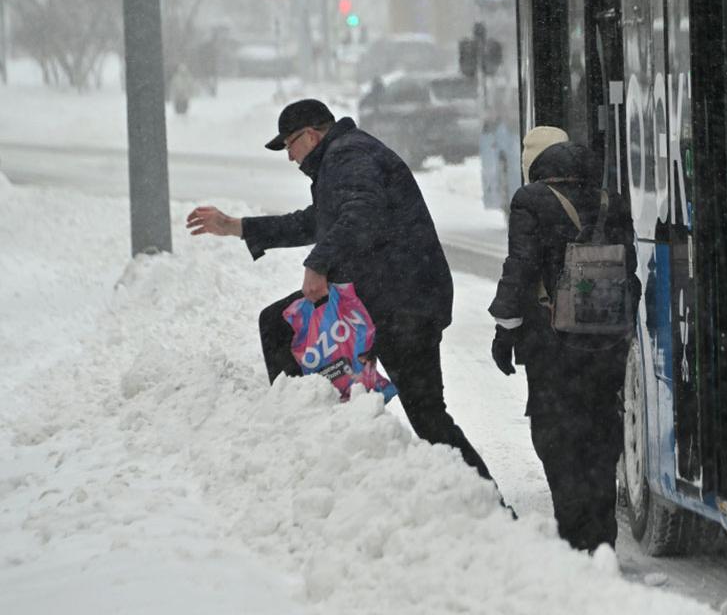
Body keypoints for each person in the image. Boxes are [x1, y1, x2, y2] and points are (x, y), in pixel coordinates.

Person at [186, 98, 495, 483]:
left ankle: (310, 431)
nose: (289, 157)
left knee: (426, 412)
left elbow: (361, 214)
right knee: (426, 413)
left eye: (289, 145)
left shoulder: (348, 156)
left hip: (401, 303)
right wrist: (237, 226)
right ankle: (317, 436)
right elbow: (316, 221)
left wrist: (317, 264)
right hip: (389, 299)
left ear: (311, 135)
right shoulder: (343, 158)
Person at [488, 126, 637, 552]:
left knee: (557, 437)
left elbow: (520, 268)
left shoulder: (530, 200)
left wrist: (506, 331)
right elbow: (630, 272)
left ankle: (574, 539)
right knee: (599, 435)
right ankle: (602, 539)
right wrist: (618, 326)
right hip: (606, 342)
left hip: (553, 344)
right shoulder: (612, 201)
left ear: (534, 162)